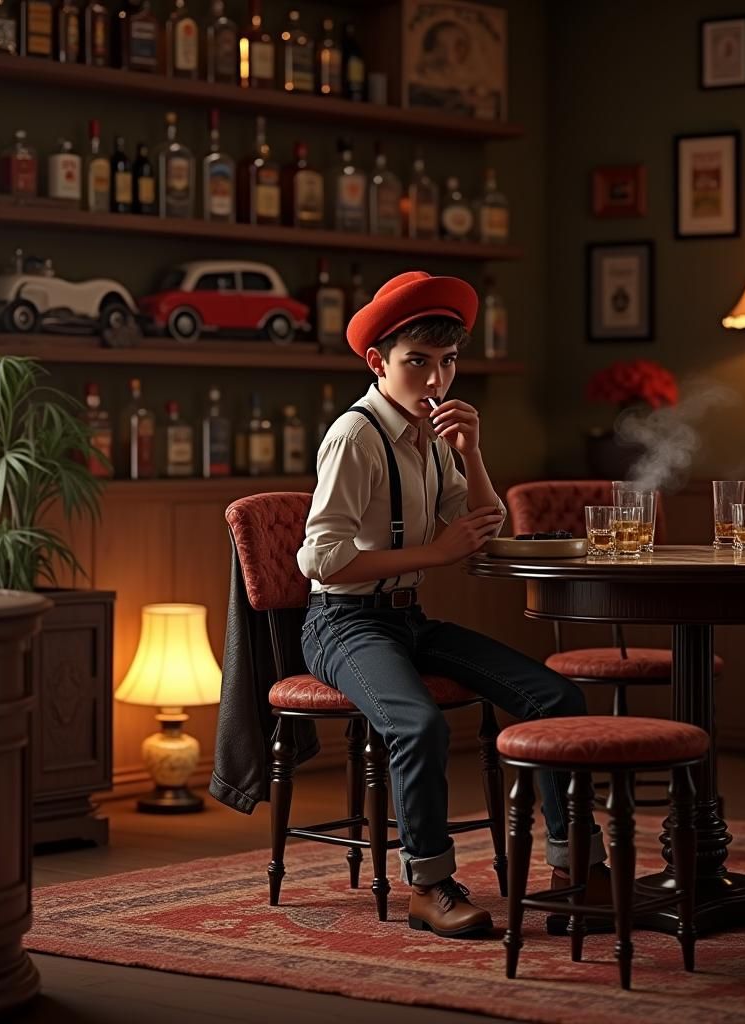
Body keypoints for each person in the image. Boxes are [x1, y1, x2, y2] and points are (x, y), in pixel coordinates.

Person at [297, 270, 608, 939]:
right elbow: (320, 559)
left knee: (558, 699)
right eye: (418, 363)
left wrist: (471, 451)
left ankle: (576, 868)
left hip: (406, 620)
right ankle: (430, 886)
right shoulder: (355, 437)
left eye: (447, 363)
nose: (436, 382)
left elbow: (484, 521)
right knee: (418, 726)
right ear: (379, 362)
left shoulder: (432, 437)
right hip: (341, 624)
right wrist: (435, 555)